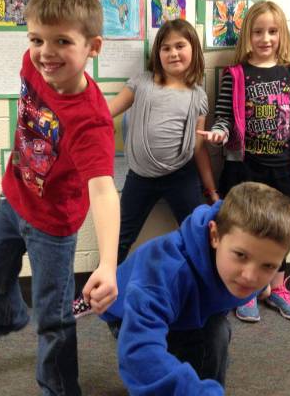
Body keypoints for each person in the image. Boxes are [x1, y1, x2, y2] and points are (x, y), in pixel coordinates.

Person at [0, 0, 119, 396]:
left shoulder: (91, 122)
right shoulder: (33, 65)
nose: (46, 52)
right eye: (36, 39)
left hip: (54, 225)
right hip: (13, 198)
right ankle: (6, 317)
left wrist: (107, 262)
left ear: (93, 47)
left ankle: (59, 389)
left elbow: (103, 191)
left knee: (53, 319)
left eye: (62, 41)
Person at [73, 18, 219, 317]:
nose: (173, 53)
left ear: (193, 50)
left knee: (198, 233)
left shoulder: (198, 96)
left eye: (180, 46)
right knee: (118, 236)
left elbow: (199, 149)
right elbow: (105, 113)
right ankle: (95, 293)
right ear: (157, 54)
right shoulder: (142, 82)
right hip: (140, 178)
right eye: (166, 48)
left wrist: (211, 189)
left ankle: (212, 290)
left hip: (181, 176)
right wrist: (76, 117)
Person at [101, 182, 290, 395]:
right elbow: (139, 351)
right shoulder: (165, 271)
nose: (250, 277)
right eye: (241, 256)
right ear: (214, 236)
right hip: (127, 313)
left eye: (268, 266)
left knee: (216, 335)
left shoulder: (242, 260)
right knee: (158, 365)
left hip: (192, 308)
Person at [198, 0, 290, 322]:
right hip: (244, 166)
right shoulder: (235, 75)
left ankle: (277, 286)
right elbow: (223, 117)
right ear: (247, 35)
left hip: (281, 166)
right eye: (258, 32)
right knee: (244, 226)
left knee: (284, 225)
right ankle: (248, 289)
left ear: (282, 34)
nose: (265, 39)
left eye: (273, 32)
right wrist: (220, 134)